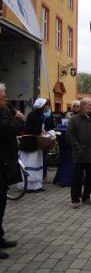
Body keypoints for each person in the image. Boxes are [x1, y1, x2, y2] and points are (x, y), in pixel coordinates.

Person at [0, 83, 25, 259]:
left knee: (1, 204)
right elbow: (6, 128)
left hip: (5, 163)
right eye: (3, 96)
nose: (6, 99)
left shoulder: (4, 111)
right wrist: (18, 118)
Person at [66, 98, 91, 208]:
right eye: (89, 105)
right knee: (77, 178)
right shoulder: (74, 119)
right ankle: (75, 200)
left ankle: (86, 197)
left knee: (90, 177)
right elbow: (69, 135)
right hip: (80, 154)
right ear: (82, 106)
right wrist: (78, 147)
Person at [18, 98, 50, 192]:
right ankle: (28, 186)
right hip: (30, 144)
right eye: (45, 105)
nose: (47, 107)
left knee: (37, 163)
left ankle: (37, 185)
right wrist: (42, 133)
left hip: (36, 144)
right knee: (30, 164)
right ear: (41, 106)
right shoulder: (33, 115)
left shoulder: (40, 115)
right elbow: (33, 129)